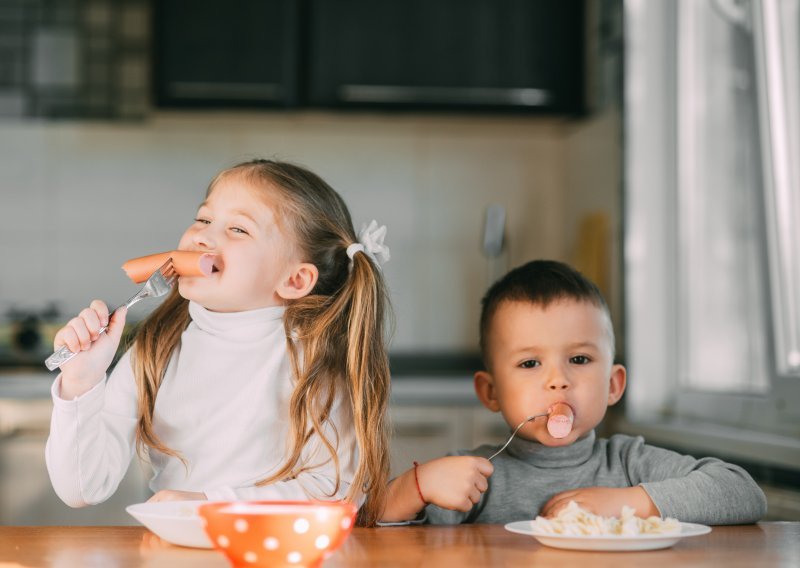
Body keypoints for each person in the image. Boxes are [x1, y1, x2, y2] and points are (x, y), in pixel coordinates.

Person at [46, 159, 392, 526]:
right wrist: (80, 385)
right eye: (204, 219)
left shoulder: (314, 363)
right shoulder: (155, 348)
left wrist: (212, 504)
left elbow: (334, 491)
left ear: (295, 280)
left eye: (238, 229)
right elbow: (82, 489)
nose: (201, 237)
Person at [380, 259, 767, 525]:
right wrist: (417, 485)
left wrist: (628, 503)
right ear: (491, 392)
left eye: (579, 359)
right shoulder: (476, 477)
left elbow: (743, 492)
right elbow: (378, 527)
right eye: (530, 363)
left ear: (613, 385)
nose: (558, 380)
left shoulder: (628, 464)